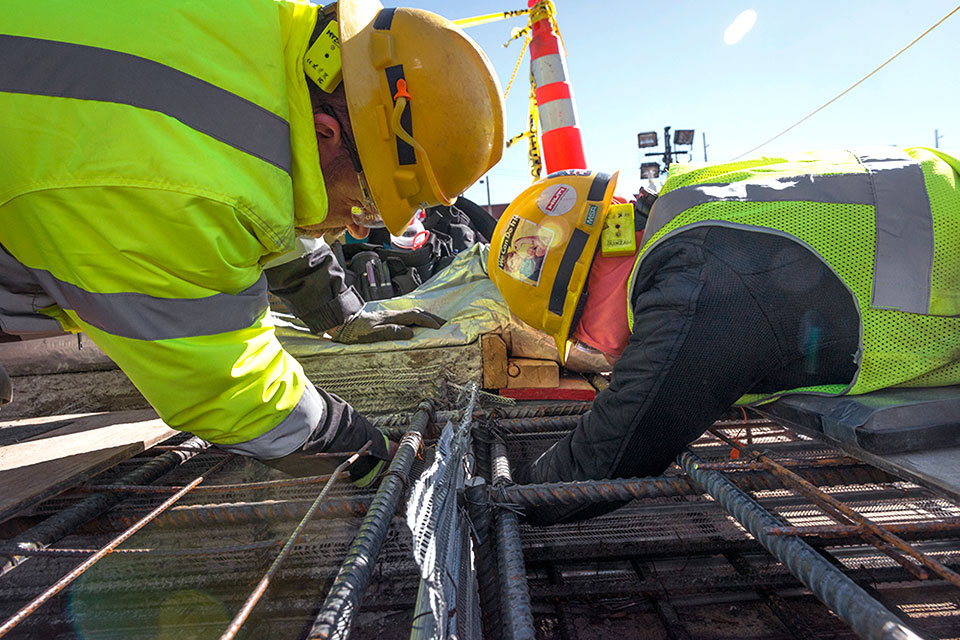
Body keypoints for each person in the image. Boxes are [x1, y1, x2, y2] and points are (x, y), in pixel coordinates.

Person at [0, 0, 505, 485]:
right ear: (327, 134)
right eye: (368, 203)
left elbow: (251, 176)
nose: (355, 228)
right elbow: (229, 385)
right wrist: (367, 455)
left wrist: (338, 309)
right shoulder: (172, 197)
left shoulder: (254, 29)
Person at [488, 148, 960, 524]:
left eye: (580, 326)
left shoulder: (692, 282)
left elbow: (613, 449)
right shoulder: (689, 202)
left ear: (608, 246)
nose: (603, 349)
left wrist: (506, 498)